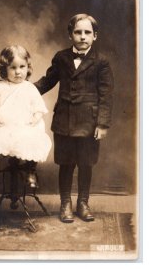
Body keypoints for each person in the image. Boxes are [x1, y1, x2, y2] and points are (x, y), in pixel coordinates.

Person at [34, 13, 114, 222]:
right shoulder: (61, 57)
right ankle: (65, 204)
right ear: (70, 34)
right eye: (78, 32)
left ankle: (83, 203)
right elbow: (47, 82)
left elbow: (106, 94)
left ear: (95, 36)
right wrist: (24, 89)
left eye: (87, 32)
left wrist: (103, 123)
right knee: (66, 164)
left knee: (86, 164)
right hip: (64, 121)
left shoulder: (101, 62)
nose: (82, 36)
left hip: (89, 122)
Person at [0, 45, 52, 188]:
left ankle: (30, 171)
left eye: (22, 67)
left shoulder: (30, 88)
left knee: (33, 139)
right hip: (3, 126)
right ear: (5, 69)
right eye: (13, 68)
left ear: (27, 68)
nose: (18, 72)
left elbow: (39, 108)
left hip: (24, 126)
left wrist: (34, 119)